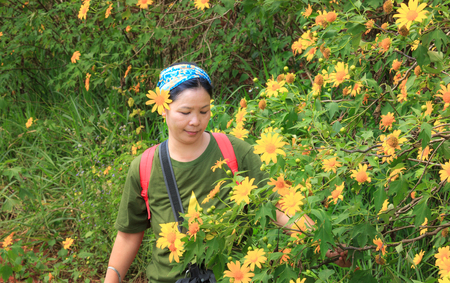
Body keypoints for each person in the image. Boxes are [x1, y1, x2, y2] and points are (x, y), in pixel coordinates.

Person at [105, 63, 349, 283]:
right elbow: (129, 234)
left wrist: (321, 240)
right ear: (163, 109)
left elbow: (276, 206)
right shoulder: (145, 166)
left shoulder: (234, 151)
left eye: (204, 111)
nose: (196, 122)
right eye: (185, 112)